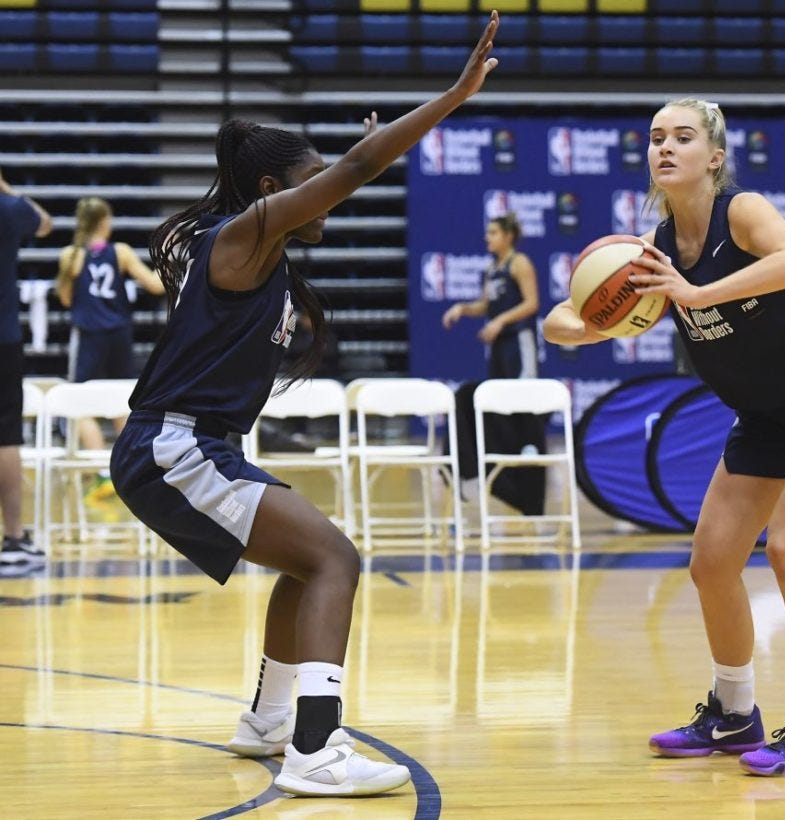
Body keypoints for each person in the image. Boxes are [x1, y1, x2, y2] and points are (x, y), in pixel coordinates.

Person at [108, 12, 500, 798]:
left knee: (306, 562)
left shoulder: (262, 254)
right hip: (174, 445)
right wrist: (454, 96)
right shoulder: (240, 236)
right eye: (312, 184)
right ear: (270, 192)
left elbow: (348, 171)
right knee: (335, 560)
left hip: (196, 446)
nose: (328, 199)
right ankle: (315, 750)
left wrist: (353, 162)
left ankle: (270, 721)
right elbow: (357, 165)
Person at [542, 99, 785, 778]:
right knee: (711, 562)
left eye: (682, 137)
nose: (665, 148)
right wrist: (585, 322)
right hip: (764, 414)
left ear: (715, 157)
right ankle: (733, 714)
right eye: (655, 138)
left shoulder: (742, 212)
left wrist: (696, 294)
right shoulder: (650, 251)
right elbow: (564, 321)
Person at [55, 197, 165, 504]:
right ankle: (137, 470)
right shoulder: (121, 252)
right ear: (105, 221)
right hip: (118, 335)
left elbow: (65, 299)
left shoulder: (71, 255)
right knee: (123, 400)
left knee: (79, 404)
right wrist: (169, 261)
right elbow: (155, 286)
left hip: (89, 335)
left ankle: (103, 473)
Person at [0, 167, 52, 566]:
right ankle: (14, 539)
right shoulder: (9, 209)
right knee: (6, 439)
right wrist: (5, 186)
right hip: (3, 338)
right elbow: (45, 223)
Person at [441, 211, 539, 378]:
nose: (487, 238)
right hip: (498, 341)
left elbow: (532, 303)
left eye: (493, 233)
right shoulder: (491, 268)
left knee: (522, 392)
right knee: (497, 391)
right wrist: (462, 309)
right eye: (487, 233)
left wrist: (501, 320)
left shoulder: (519, 263)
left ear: (508, 236)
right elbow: (486, 306)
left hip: (518, 337)